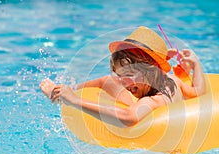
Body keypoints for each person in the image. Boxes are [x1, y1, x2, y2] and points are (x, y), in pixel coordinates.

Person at [40, 26, 205, 127]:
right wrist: (196, 65)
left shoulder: (152, 100)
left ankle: (62, 94)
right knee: (110, 80)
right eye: (120, 75)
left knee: (107, 81)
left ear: (153, 70)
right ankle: (69, 90)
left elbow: (130, 118)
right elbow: (198, 91)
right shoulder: (173, 82)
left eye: (130, 74)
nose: (125, 82)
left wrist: (75, 101)